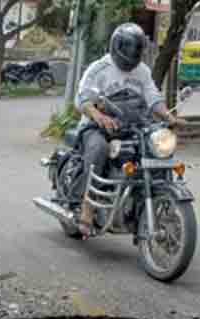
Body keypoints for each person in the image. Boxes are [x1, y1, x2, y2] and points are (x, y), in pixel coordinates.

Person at [74, 23, 183, 238]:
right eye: (129, 50)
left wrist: (170, 117)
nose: (132, 55)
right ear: (117, 47)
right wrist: (99, 116)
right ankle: (87, 208)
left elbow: (153, 98)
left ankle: (147, 200)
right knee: (99, 149)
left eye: (136, 50)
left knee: (157, 149)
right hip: (97, 127)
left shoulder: (142, 71)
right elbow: (83, 99)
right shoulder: (99, 68)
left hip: (132, 127)